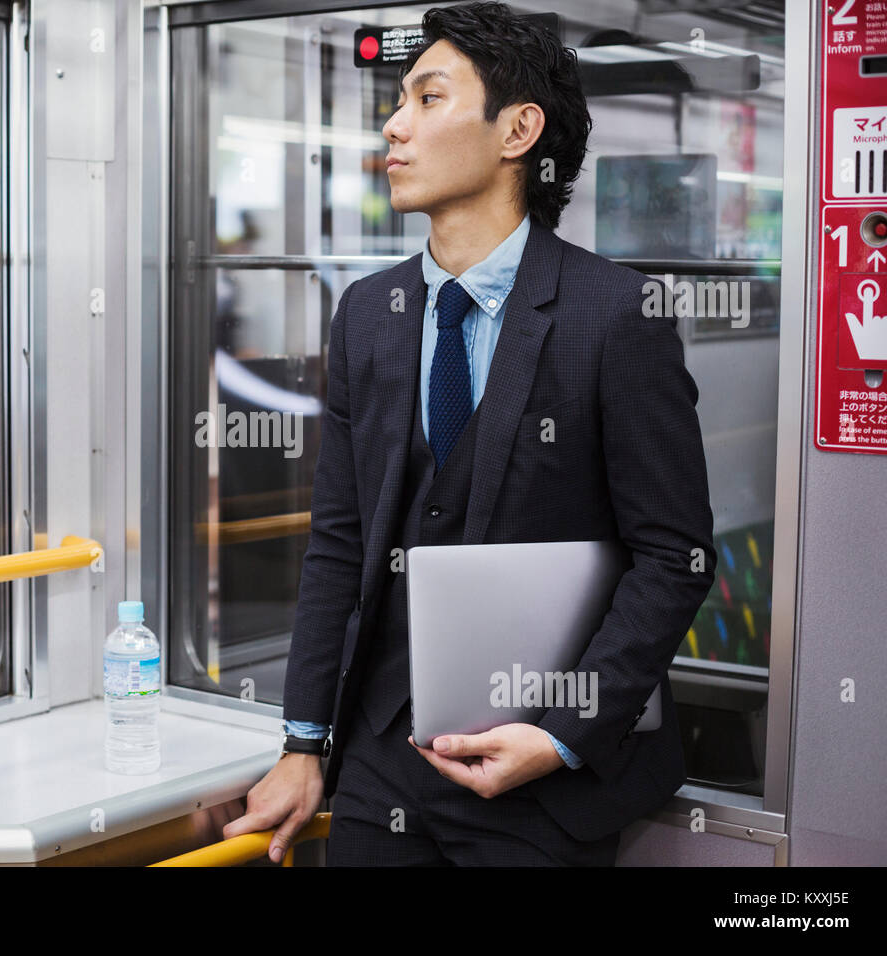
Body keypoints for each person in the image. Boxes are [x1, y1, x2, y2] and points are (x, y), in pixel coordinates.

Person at [222, 1, 716, 866]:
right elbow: (338, 542)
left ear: (518, 130)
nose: (394, 123)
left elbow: (672, 557)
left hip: (546, 789)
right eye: (398, 100)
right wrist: (307, 744)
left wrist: (563, 733)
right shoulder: (369, 315)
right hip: (380, 766)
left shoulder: (617, 316)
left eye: (428, 98)